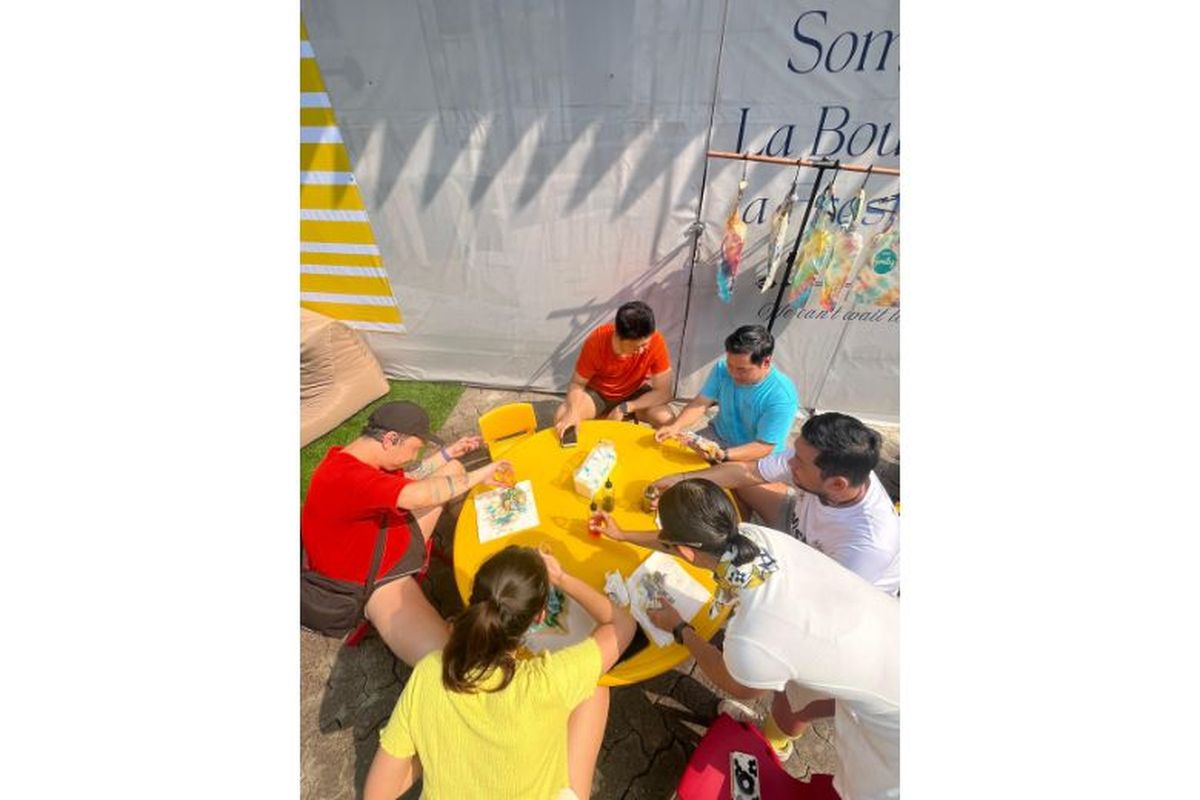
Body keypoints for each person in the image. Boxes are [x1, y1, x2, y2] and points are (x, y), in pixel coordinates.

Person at [591, 479, 899, 800]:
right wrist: (622, 535)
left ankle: (774, 753)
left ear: (685, 551)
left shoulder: (752, 639)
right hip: (878, 639)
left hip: (893, 759)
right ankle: (774, 741)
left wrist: (680, 628)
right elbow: (681, 545)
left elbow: (740, 685)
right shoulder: (751, 536)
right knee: (799, 699)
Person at [363, 545, 636, 800]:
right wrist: (561, 577)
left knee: (426, 734)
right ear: (539, 617)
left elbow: (377, 794)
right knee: (595, 686)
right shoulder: (548, 681)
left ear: (474, 602)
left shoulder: (430, 673)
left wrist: (434, 745)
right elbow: (622, 625)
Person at [301, 401, 513, 665]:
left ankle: (469, 525)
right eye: (414, 449)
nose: (414, 457)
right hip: (374, 580)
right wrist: (482, 474)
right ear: (391, 439)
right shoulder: (347, 478)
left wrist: (448, 454)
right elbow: (416, 494)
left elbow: (410, 477)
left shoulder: (355, 458)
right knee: (446, 662)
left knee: (454, 469)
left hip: (386, 534)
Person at [652, 412, 900, 595]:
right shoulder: (824, 465)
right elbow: (747, 472)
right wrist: (680, 480)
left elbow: (819, 601)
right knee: (738, 482)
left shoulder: (867, 547)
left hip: (819, 577)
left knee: (726, 570)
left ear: (837, 485)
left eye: (799, 462)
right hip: (795, 522)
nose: (790, 463)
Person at [654, 324, 798, 464]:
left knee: (708, 476)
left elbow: (764, 446)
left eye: (742, 370)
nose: (733, 374)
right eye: (730, 365)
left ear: (766, 362)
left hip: (754, 453)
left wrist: (723, 455)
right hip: (717, 434)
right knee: (669, 459)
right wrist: (675, 426)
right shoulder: (721, 368)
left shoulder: (781, 396)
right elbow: (700, 403)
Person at [553, 300, 674, 438]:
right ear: (619, 336)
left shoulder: (655, 341)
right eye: (637, 346)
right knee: (562, 417)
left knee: (666, 420)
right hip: (600, 395)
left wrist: (627, 406)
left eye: (646, 344)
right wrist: (573, 412)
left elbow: (664, 393)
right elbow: (577, 383)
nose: (643, 350)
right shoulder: (597, 341)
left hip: (635, 393)